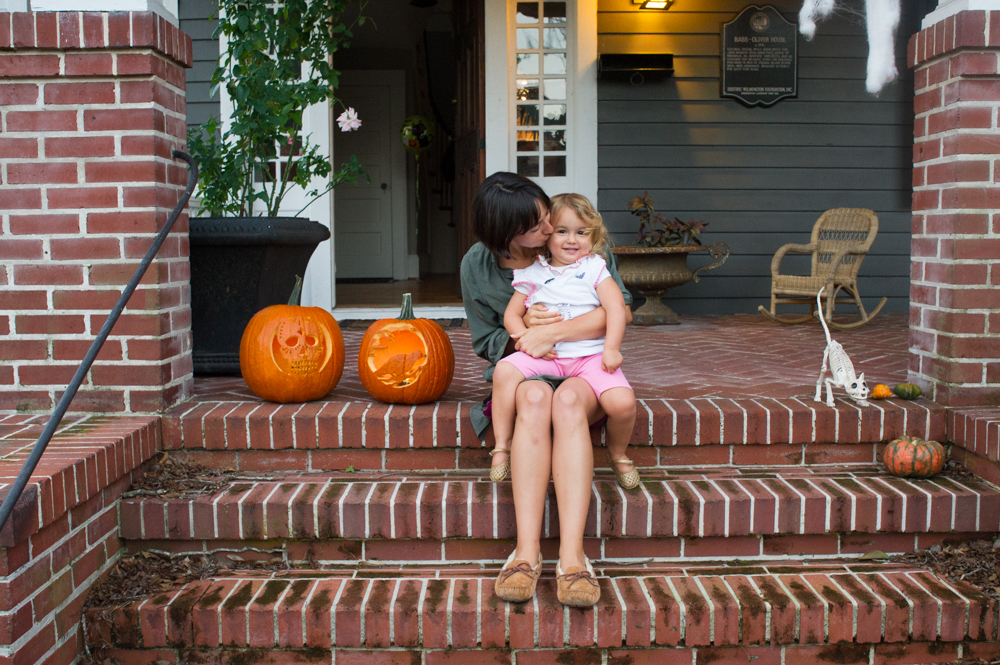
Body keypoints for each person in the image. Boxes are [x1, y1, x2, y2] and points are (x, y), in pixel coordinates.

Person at [460, 173, 636, 608]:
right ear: (504, 236)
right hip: (529, 373)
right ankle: (526, 553)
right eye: (535, 226)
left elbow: (620, 311)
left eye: (544, 219)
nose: (547, 230)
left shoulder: (580, 243)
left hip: (584, 368)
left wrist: (554, 330)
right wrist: (525, 336)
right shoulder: (476, 267)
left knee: (570, 399)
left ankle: (573, 558)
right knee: (538, 398)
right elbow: (487, 342)